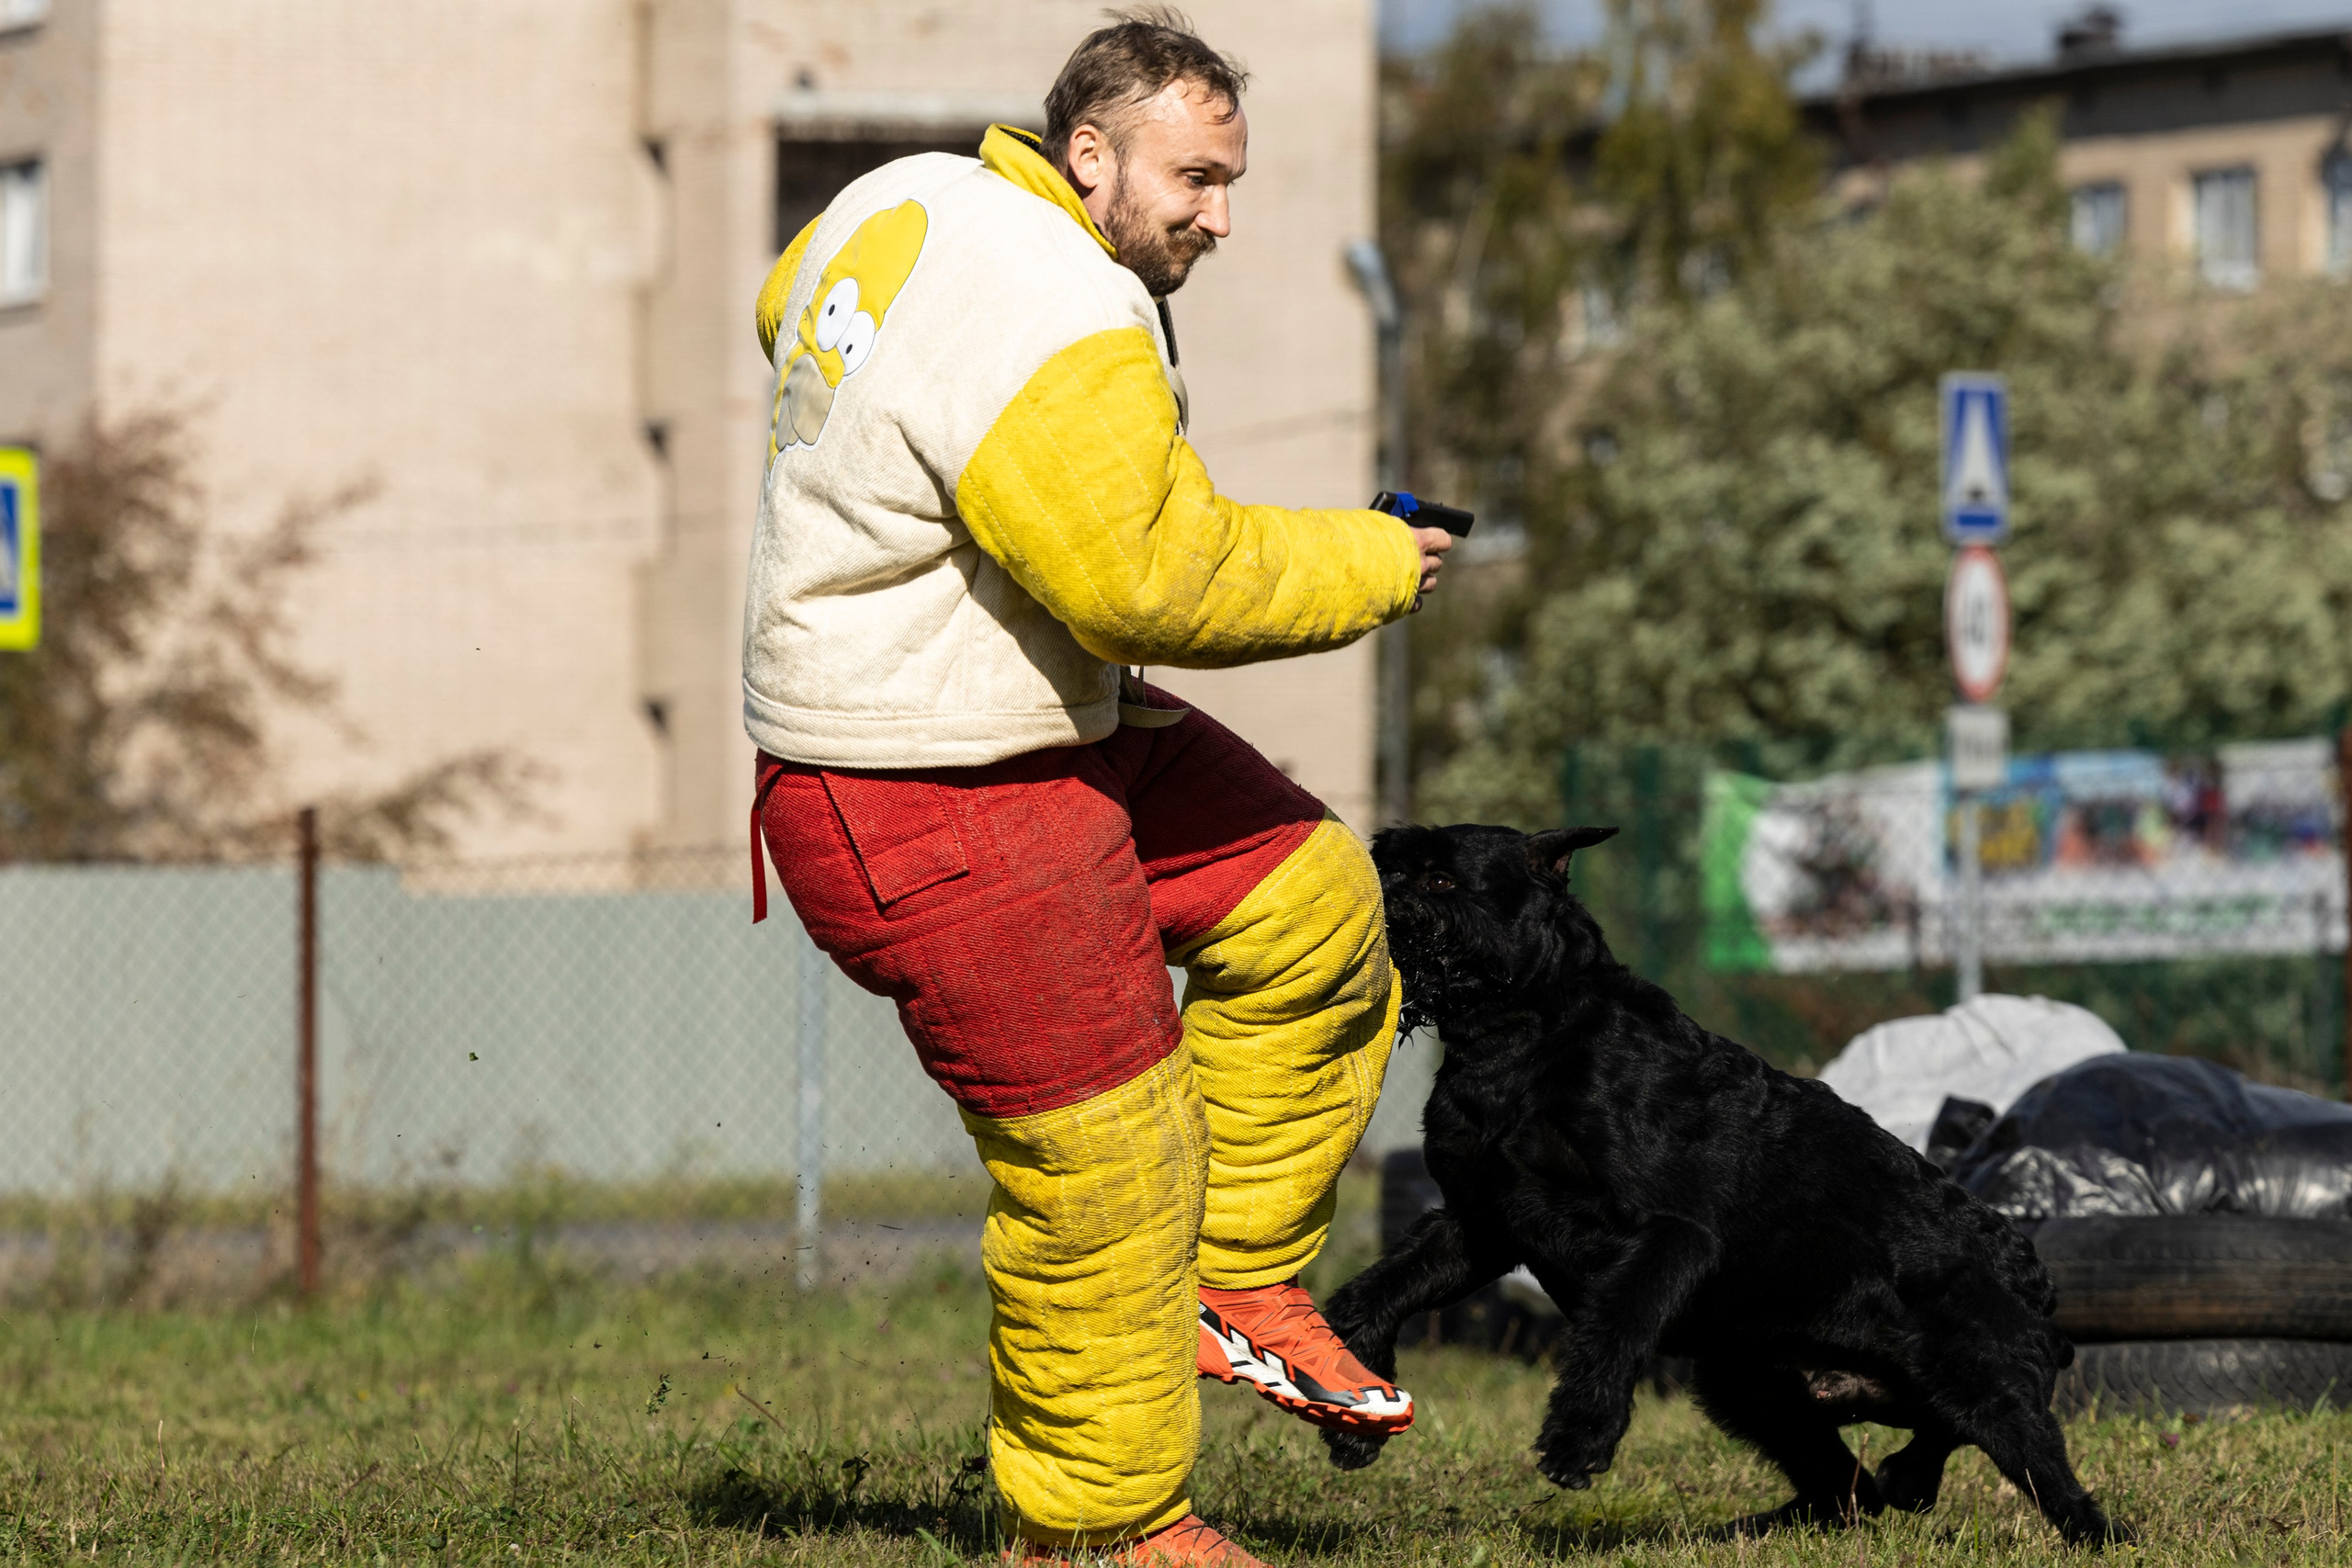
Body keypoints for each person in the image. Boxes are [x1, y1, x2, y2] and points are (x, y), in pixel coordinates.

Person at [743, 11, 1452, 1563]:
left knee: (1316, 910)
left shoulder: (909, 199)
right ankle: (1105, 1529)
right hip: (923, 779)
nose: (1220, 214)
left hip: (1041, 723)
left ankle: (1237, 1274)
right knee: (1109, 1162)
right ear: (1090, 154)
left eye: (1232, 179)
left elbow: (784, 300)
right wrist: (1374, 561)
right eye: (1197, 178)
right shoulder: (1055, 305)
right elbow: (1147, 577)